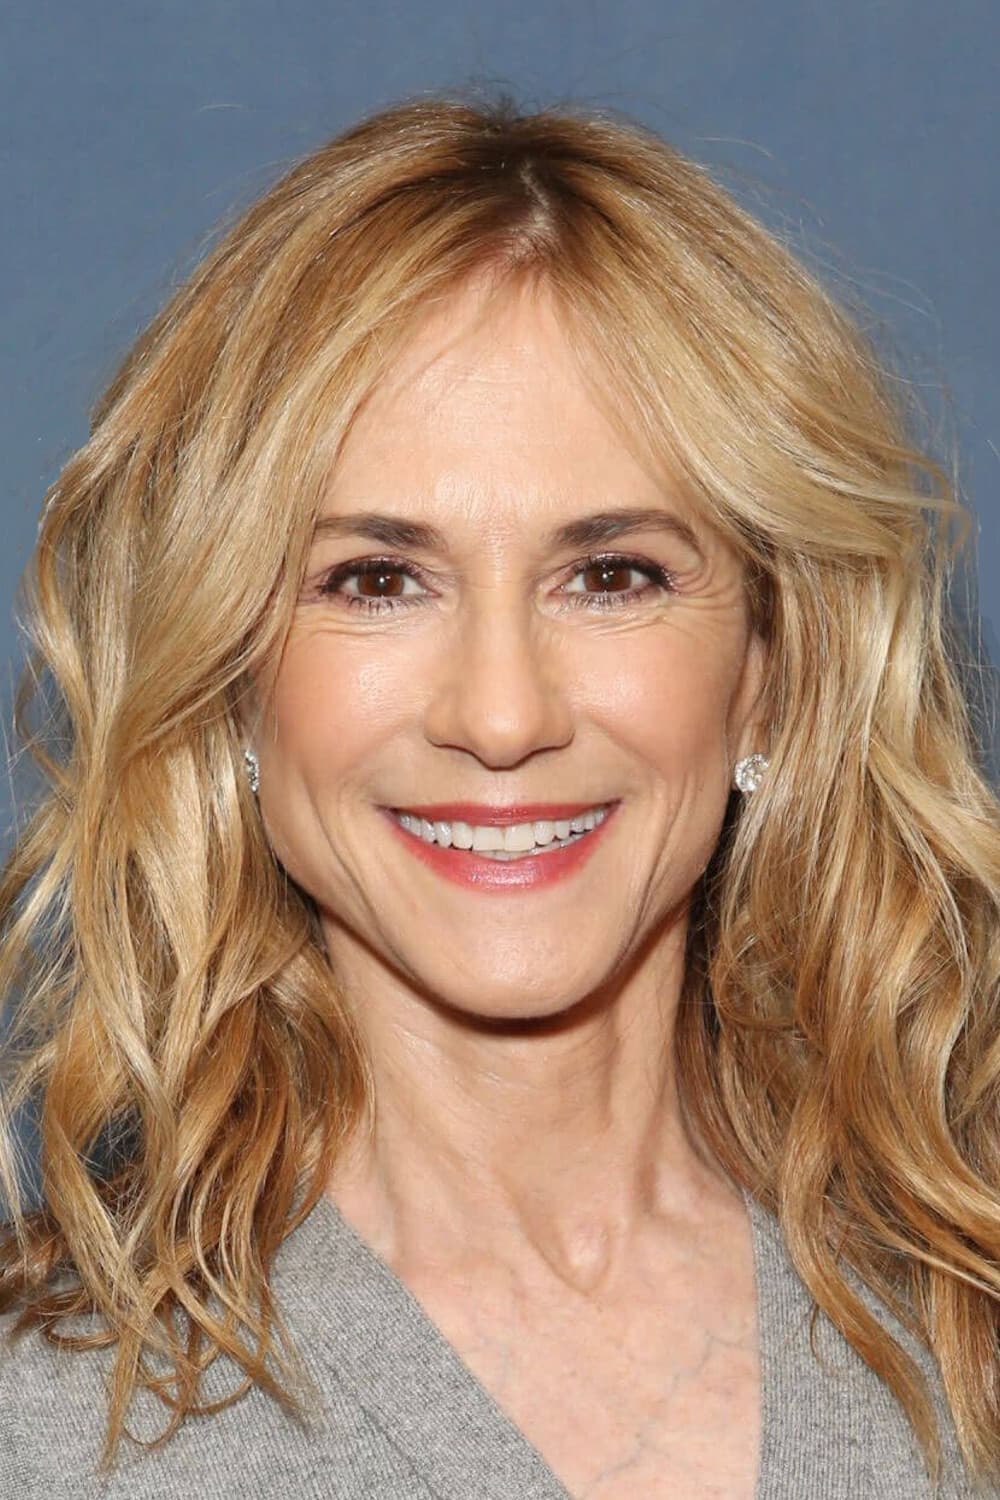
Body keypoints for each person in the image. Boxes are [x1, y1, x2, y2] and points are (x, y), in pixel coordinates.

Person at [0, 92, 998, 1500]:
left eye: (612, 575)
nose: (504, 715)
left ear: (770, 670)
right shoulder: (45, 1425)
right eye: (375, 580)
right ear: (226, 678)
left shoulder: (967, 1328)